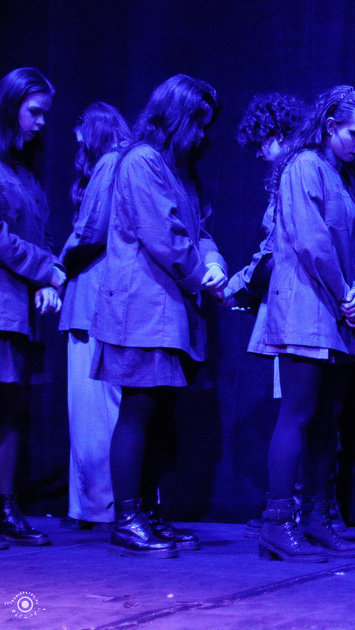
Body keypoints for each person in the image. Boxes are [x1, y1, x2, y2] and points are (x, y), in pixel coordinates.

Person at [90, 74, 227, 558]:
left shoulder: (180, 168)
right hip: (141, 310)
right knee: (139, 408)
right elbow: (165, 237)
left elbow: (199, 230)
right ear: (174, 116)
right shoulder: (142, 160)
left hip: (169, 311)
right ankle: (127, 519)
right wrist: (201, 276)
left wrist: (215, 263)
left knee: (159, 413)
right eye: (197, 122)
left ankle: (147, 513)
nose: (202, 134)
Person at [258, 85, 355, 562]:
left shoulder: (341, 176)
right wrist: (346, 294)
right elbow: (312, 243)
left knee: (329, 420)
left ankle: (316, 518)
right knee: (299, 415)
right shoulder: (303, 167)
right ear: (330, 125)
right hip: (306, 312)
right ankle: (277, 524)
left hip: (339, 316)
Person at [226, 92, 304, 537]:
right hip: (295, 309)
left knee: (299, 412)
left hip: (296, 313)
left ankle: (294, 510)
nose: (259, 155)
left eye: (260, 144)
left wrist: (234, 285)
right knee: (304, 411)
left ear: (275, 135)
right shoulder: (306, 170)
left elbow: (275, 252)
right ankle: (303, 507)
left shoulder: (293, 175)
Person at [59, 102, 132, 529]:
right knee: (104, 409)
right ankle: (89, 505)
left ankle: (101, 506)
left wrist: (56, 265)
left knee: (92, 412)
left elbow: (89, 230)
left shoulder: (110, 163)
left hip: (92, 300)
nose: (77, 146)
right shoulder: (134, 162)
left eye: (81, 136)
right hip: (110, 301)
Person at [0, 67, 64, 548]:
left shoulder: (25, 171)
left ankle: (6, 506)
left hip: (20, 309)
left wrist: (47, 278)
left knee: (14, 408)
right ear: (11, 107)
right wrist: (46, 270)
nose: (41, 122)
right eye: (34, 112)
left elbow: (41, 234)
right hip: (2, 306)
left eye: (45, 114)